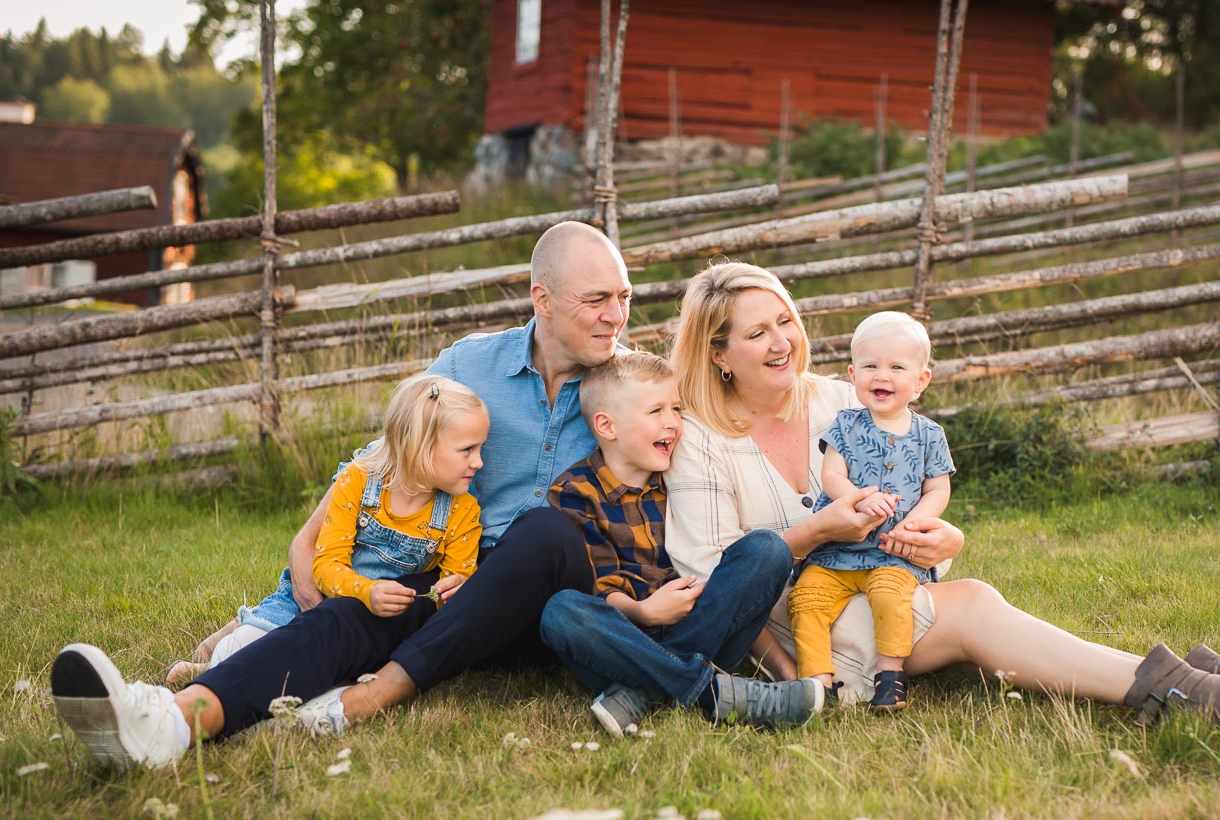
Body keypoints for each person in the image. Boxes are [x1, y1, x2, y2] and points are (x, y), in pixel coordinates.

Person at [50, 221, 629, 768]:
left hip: (550, 609)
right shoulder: (469, 364)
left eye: (624, 297)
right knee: (355, 611)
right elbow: (388, 456)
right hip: (452, 584)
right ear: (543, 299)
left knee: (547, 530)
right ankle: (170, 724)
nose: (616, 316)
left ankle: (364, 699)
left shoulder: (633, 389)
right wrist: (307, 539)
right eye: (597, 299)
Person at [663, 260, 1220, 725]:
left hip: (879, 584)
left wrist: (939, 544)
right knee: (975, 610)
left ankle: (1208, 675)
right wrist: (815, 534)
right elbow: (713, 579)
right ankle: (1186, 692)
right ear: (718, 354)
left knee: (965, 592)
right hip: (797, 626)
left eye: (785, 319)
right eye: (757, 334)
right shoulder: (699, 437)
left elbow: (908, 501)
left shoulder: (842, 398)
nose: (784, 342)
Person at [538, 352, 824, 736]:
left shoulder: (683, 472)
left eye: (676, 409)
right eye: (656, 411)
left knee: (768, 550)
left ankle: (641, 692)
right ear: (607, 425)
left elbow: (718, 566)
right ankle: (717, 692)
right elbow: (598, 583)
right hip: (623, 636)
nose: (673, 423)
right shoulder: (575, 492)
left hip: (703, 624)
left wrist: (783, 667)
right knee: (562, 612)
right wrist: (646, 612)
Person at [162, 374, 486, 691]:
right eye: (467, 450)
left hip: (368, 626)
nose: (479, 463)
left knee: (304, 678)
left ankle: (218, 656)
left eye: (480, 449)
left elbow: (456, 580)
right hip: (313, 601)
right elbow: (326, 564)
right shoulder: (359, 481)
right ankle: (216, 657)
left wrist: (453, 590)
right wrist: (367, 592)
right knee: (238, 655)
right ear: (421, 446)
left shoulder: (462, 512)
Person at [787, 312, 954, 712]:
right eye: (871, 366)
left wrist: (919, 519)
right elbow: (832, 475)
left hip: (893, 550)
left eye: (897, 367)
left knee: (890, 595)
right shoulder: (844, 424)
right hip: (839, 550)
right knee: (806, 598)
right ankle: (817, 682)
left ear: (920, 381)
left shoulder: (929, 434)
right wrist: (858, 497)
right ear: (852, 374)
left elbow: (938, 487)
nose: (882, 375)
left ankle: (890, 675)